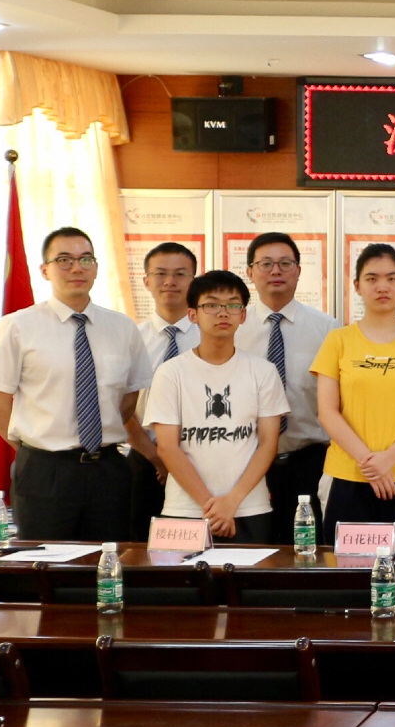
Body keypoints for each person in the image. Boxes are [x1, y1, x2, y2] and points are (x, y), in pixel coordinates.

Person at [0, 228, 153, 540]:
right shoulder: (19, 326)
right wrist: (36, 447)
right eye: (64, 260)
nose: (77, 268)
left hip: (108, 469)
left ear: (96, 268)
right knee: (44, 561)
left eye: (85, 259)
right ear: (45, 270)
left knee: (108, 557)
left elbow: (129, 399)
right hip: (45, 470)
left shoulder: (122, 327)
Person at [312, 244, 395, 545]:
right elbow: (327, 411)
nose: (382, 287)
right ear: (357, 285)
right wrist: (370, 463)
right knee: (344, 566)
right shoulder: (337, 340)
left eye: (392, 278)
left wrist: (389, 458)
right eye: (372, 278)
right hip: (346, 474)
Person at [144, 270, 287, 543]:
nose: (223, 313)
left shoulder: (263, 371)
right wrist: (211, 507)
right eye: (211, 305)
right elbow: (167, 447)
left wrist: (231, 502)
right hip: (184, 509)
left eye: (233, 305)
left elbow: (269, 443)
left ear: (243, 315)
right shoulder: (170, 373)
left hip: (249, 507)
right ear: (192, 314)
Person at [235, 232, 338, 541]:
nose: (276, 271)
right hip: (245, 459)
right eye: (266, 264)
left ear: (298, 270)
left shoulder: (327, 329)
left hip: (309, 461)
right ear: (250, 272)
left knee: (307, 550)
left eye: (285, 263)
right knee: (253, 549)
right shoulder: (234, 327)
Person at [129, 241, 199, 538]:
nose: (170, 281)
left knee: (198, 544)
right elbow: (122, 407)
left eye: (180, 274)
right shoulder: (131, 337)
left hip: (201, 460)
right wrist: (158, 458)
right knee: (139, 546)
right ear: (146, 281)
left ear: (194, 281)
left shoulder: (212, 337)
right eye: (160, 274)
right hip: (145, 461)